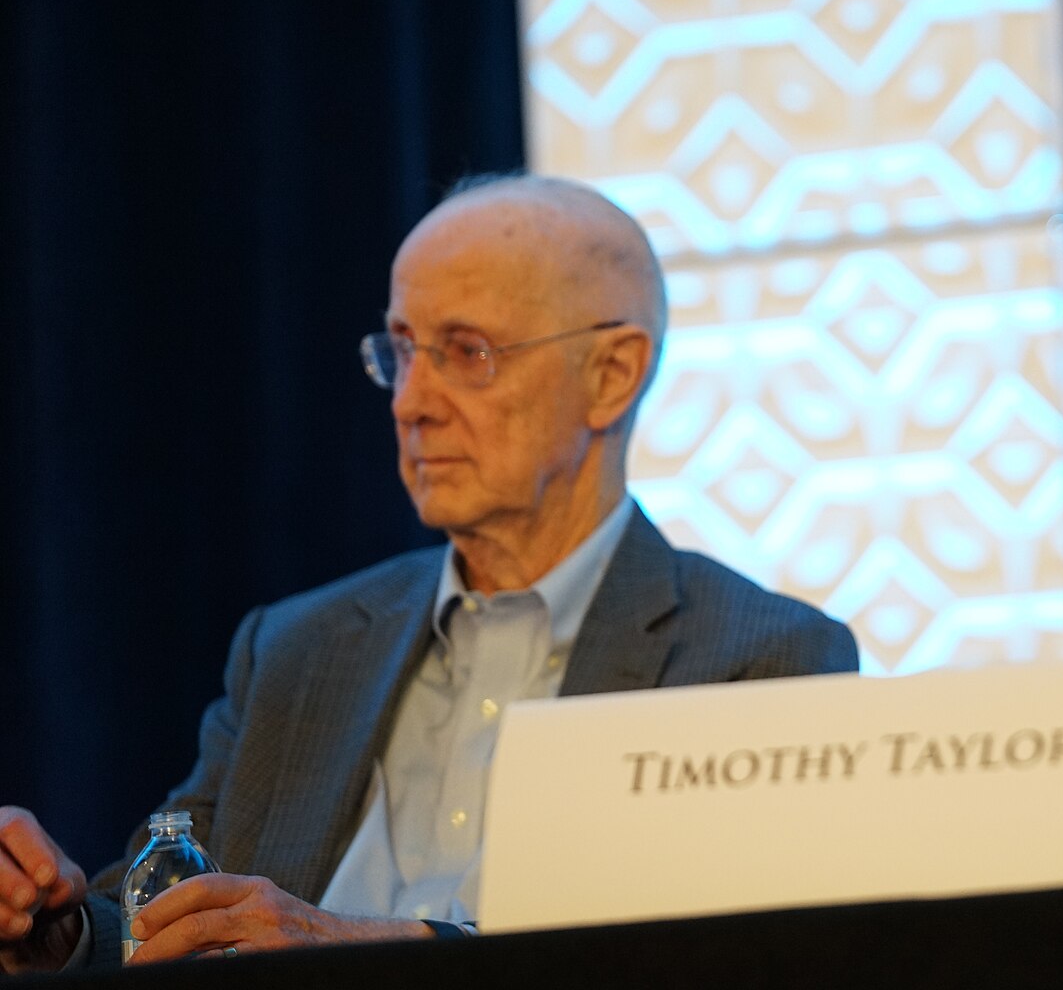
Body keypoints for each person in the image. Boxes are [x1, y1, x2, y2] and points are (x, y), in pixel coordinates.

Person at [0, 175, 858, 971]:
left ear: (611, 374)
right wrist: (57, 927)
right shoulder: (296, 649)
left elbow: (722, 958)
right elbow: (168, 916)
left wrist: (375, 950)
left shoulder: (758, 659)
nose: (411, 400)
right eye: (403, 349)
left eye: (467, 351)